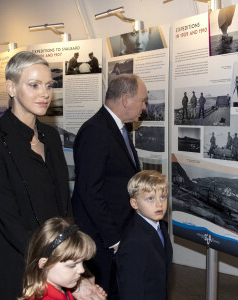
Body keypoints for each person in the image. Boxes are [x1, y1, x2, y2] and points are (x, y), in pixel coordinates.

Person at [0, 51, 105, 300]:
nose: (44, 93)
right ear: (11, 87)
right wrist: (62, 267)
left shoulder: (51, 137)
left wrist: (77, 270)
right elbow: (8, 219)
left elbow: (64, 209)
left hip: (56, 264)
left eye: (48, 85)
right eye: (34, 85)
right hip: (13, 265)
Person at [72, 74, 147, 297]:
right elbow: (89, 192)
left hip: (118, 233)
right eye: (142, 100)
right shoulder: (95, 131)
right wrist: (114, 240)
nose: (144, 106)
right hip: (101, 240)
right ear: (125, 99)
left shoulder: (118, 129)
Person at [116, 170, 173, 300]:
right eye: (150, 198)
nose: (159, 204)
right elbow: (130, 290)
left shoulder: (162, 226)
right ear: (134, 203)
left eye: (162, 197)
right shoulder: (134, 242)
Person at [18, 217, 96, 300]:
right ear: (44, 264)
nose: (82, 270)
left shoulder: (63, 289)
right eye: (72, 265)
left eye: (82, 262)